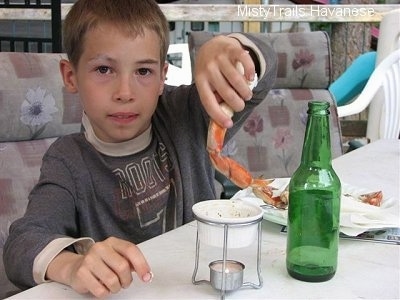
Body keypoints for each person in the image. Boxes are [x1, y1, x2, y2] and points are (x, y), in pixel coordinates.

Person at [3, 0, 277, 298]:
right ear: (71, 76)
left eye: (143, 72)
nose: (125, 93)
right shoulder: (67, 160)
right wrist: (72, 266)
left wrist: (231, 47)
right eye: (104, 69)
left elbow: (265, 75)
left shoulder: (184, 115)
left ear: (163, 77)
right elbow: (22, 242)